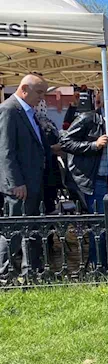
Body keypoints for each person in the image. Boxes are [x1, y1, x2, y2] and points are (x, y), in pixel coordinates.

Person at [0, 74, 49, 278]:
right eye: (39, 92)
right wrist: (15, 183)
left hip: (32, 182)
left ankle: (30, 272)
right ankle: (3, 274)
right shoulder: (9, 110)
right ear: (24, 89)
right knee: (14, 230)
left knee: (30, 229)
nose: (42, 98)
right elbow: (5, 150)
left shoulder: (28, 111)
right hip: (19, 185)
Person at [61, 86, 108, 214]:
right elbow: (65, 142)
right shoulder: (88, 119)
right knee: (101, 220)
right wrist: (94, 145)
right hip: (95, 179)